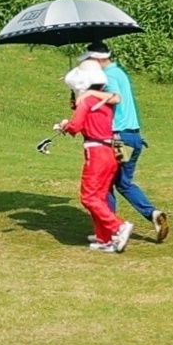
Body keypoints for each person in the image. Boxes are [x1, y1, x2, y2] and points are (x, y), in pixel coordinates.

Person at [69, 43, 168, 241]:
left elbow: (115, 98)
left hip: (117, 136)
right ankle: (151, 214)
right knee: (123, 183)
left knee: (104, 186)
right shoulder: (120, 72)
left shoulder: (109, 76)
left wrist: (87, 94)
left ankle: (113, 230)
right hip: (133, 136)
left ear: (98, 59)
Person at [53, 80, 134, 252]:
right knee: (100, 196)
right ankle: (104, 237)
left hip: (96, 153)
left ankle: (118, 227)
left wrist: (64, 125)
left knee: (89, 197)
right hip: (110, 152)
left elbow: (75, 127)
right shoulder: (103, 101)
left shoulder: (86, 101)